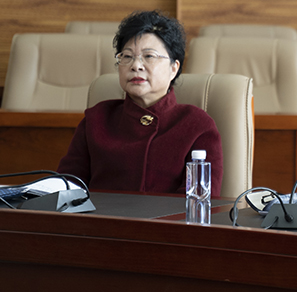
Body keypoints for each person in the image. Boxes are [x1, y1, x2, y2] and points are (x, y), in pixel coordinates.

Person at [57, 11, 223, 193]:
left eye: (149, 56)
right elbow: (67, 187)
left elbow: (198, 200)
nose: (136, 65)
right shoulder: (96, 118)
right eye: (127, 57)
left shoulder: (198, 125)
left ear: (173, 68)